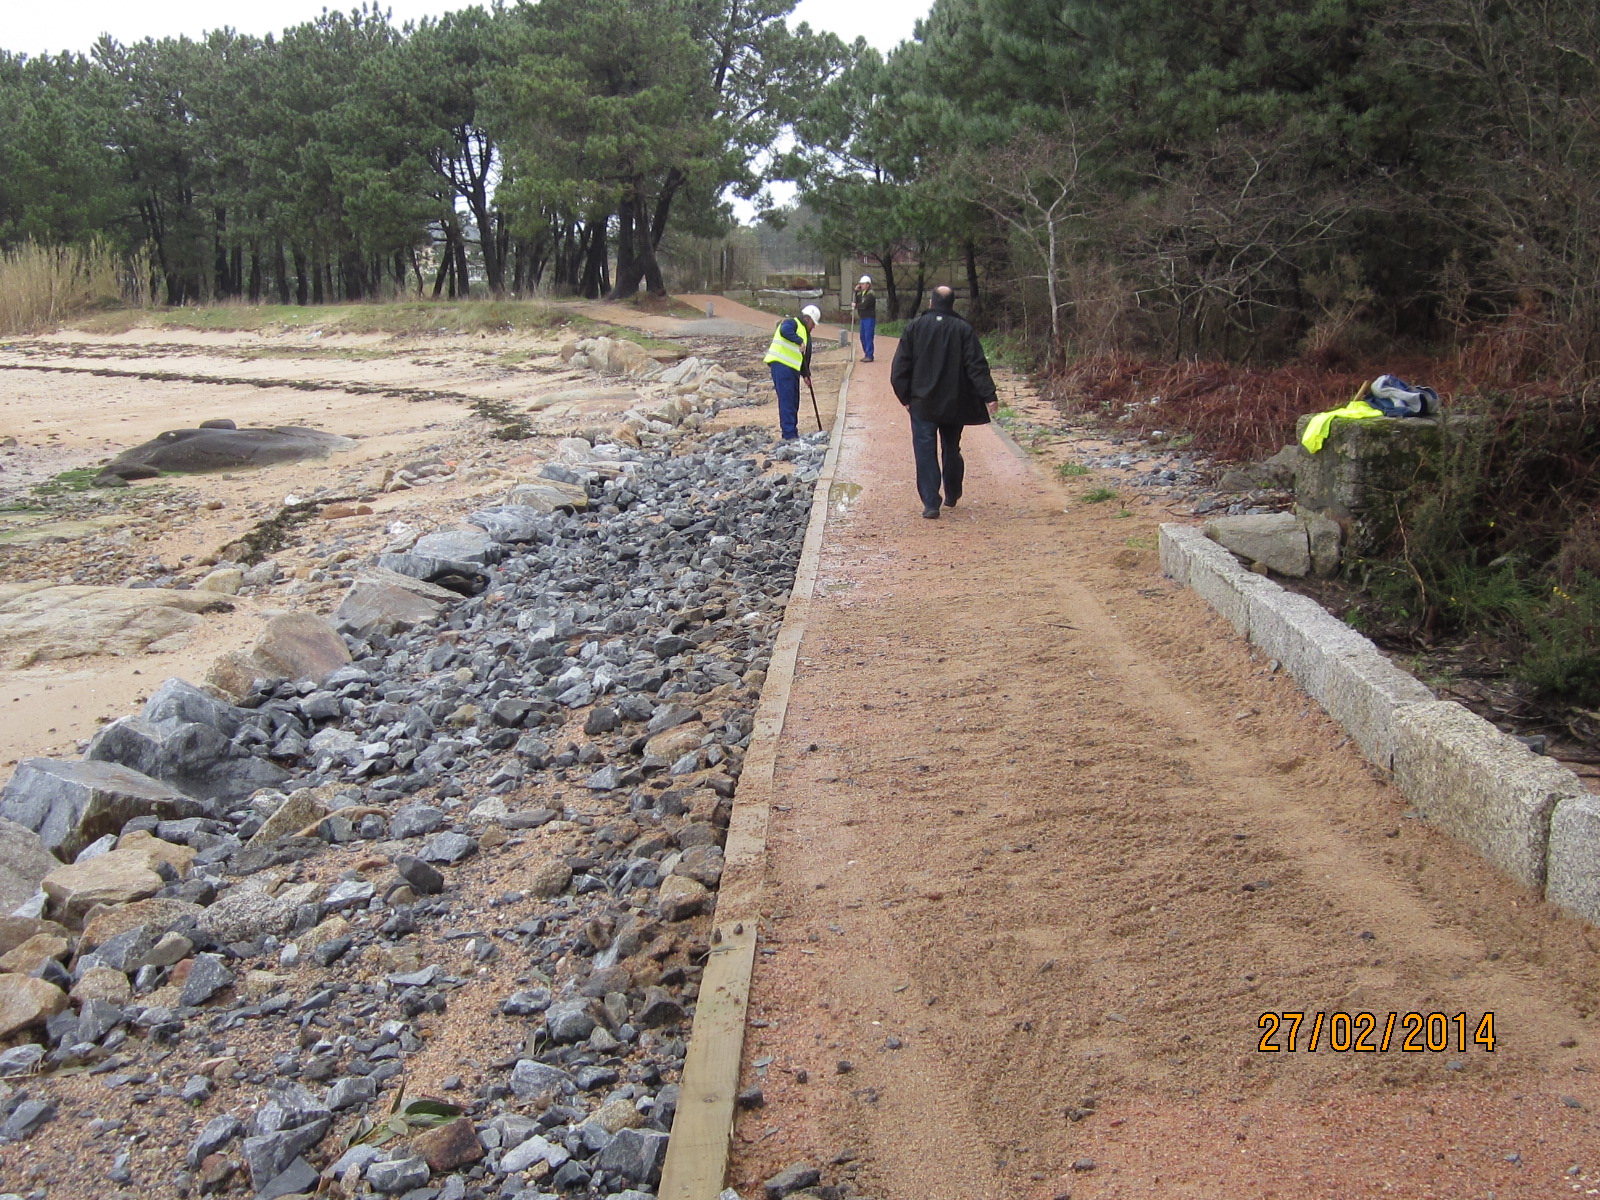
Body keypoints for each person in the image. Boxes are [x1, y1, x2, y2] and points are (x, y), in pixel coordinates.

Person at [889, 286, 998, 519]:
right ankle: (952, 492)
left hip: (922, 403)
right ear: (952, 304)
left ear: (931, 302)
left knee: (925, 450)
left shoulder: (915, 327)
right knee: (951, 446)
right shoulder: (963, 329)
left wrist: (905, 397)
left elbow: (900, 366)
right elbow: (976, 365)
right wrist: (989, 395)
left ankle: (931, 503)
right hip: (954, 401)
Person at [763, 303, 819, 441]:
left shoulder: (806, 334)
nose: (813, 327)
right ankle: (788, 434)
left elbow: (805, 358)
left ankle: (792, 431)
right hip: (781, 366)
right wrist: (799, 341)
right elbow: (784, 331)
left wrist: (806, 375)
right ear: (807, 319)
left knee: (794, 400)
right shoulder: (791, 323)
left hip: (792, 369)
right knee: (787, 400)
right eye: (813, 323)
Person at [853, 275, 877, 362]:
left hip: (869, 318)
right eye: (861, 284)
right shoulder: (861, 294)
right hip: (863, 318)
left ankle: (869, 355)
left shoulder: (871, 294)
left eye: (863, 284)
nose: (861, 285)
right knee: (862, 337)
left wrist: (856, 306)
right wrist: (856, 291)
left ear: (868, 284)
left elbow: (864, 305)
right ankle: (866, 354)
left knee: (868, 336)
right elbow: (856, 300)